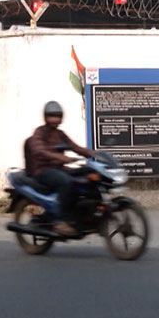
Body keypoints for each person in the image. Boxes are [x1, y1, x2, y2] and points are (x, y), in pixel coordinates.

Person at [24, 100, 94, 235]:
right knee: (66, 182)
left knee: (84, 176)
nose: (54, 119)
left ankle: (78, 215)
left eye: (57, 115)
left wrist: (93, 153)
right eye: (52, 115)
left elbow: (75, 147)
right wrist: (60, 157)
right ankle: (60, 221)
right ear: (45, 117)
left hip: (58, 169)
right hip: (42, 170)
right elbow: (40, 150)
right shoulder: (40, 133)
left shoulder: (60, 134)